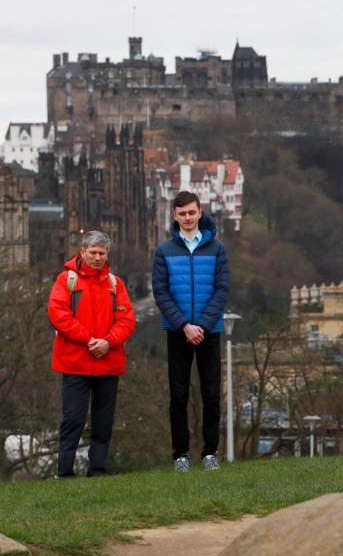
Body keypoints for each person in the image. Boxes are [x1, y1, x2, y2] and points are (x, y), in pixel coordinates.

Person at [152, 191, 230, 472]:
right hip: (177, 330)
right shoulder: (164, 251)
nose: (187, 218)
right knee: (178, 395)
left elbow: (222, 290)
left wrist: (203, 325)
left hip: (209, 330)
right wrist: (185, 325)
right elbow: (161, 293)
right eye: (182, 213)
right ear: (174, 215)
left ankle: (210, 452)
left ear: (200, 212)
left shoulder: (217, 249)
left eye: (191, 212)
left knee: (211, 394)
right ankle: (180, 454)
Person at [48, 230, 136, 477]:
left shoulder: (114, 284)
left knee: (103, 421)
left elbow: (127, 320)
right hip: (76, 363)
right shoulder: (66, 280)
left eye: (102, 253)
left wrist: (108, 342)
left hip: (108, 362)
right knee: (73, 419)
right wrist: (89, 340)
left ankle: (97, 469)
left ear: (107, 254)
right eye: (93, 252)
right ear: (83, 252)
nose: (97, 257)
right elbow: (58, 315)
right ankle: (65, 472)